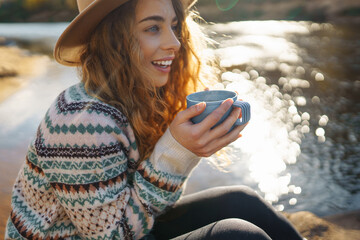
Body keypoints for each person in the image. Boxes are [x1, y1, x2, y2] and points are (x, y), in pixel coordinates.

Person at [5, 0, 304, 239]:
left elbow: (143, 209)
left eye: (174, 26)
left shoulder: (134, 97)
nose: (174, 42)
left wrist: (184, 147)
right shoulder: (81, 121)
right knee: (238, 236)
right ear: (113, 38)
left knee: (241, 201)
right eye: (152, 28)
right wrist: (175, 153)